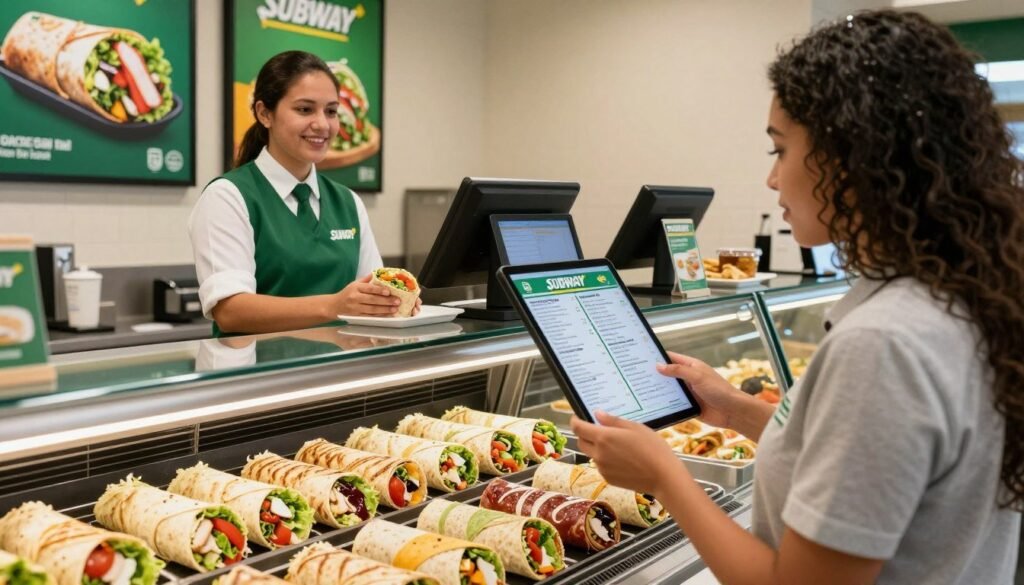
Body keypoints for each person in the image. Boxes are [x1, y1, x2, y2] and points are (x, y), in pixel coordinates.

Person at [572, 10, 1023, 584]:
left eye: (779, 151)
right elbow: (877, 472)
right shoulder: (963, 296)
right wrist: (735, 410)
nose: (771, 180)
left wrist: (665, 477)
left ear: (852, 156)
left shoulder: (885, 345)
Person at [189, 51, 417, 335]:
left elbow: (369, 296)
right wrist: (334, 306)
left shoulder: (348, 203)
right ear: (264, 113)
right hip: (260, 374)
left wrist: (390, 301)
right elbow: (231, 312)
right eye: (305, 110)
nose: (323, 124)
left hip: (339, 373)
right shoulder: (228, 197)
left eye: (331, 111)